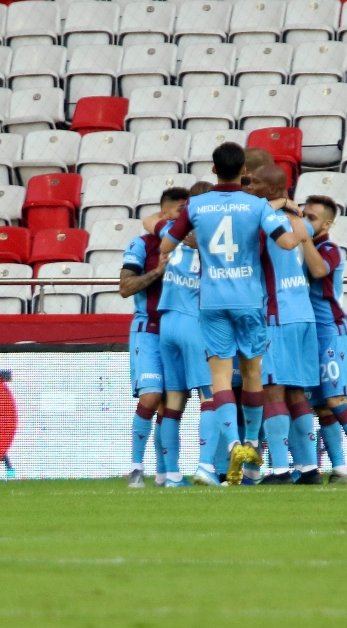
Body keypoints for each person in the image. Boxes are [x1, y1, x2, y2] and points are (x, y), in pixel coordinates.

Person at [160, 143, 302, 487]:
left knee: (220, 377)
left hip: (211, 301)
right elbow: (286, 243)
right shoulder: (256, 205)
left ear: (213, 170)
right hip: (249, 300)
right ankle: (251, 446)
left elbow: (166, 245)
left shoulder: (196, 205)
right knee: (253, 372)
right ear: (245, 173)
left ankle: (234, 444)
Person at [246, 165, 322, 486]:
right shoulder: (299, 221)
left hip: (277, 316)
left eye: (255, 184)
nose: (249, 188)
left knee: (271, 389)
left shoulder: (263, 222)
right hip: (303, 314)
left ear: (270, 189)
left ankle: (278, 470)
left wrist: (274, 206)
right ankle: (308, 468)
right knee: (295, 391)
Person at [301, 195, 347, 486]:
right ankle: (340, 470)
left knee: (335, 398)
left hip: (331, 330)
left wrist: (302, 236)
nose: (306, 222)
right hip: (309, 335)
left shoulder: (329, 249)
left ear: (328, 223)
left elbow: (320, 271)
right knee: (320, 406)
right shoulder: (300, 250)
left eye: (312, 218)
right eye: (304, 216)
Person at [145, 182, 213, 488]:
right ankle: (205, 467)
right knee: (209, 395)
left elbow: (148, 221)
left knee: (173, 399)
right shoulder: (213, 236)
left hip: (167, 321)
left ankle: (171, 474)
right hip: (193, 320)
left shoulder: (171, 230)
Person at [121, 189, 186, 489]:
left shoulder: (192, 247)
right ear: (163, 216)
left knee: (171, 404)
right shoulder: (142, 245)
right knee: (151, 397)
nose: (185, 217)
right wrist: (159, 271)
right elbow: (125, 287)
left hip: (178, 332)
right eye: (179, 211)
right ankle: (136, 467)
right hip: (148, 330)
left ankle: (165, 473)